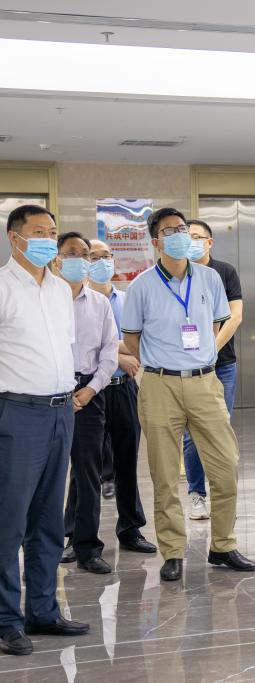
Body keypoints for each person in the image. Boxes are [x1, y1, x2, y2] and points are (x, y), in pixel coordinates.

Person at [121, 207, 255, 582]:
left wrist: (198, 357)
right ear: (156, 242)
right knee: (165, 475)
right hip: (159, 384)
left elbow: (215, 324)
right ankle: (173, 551)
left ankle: (223, 545)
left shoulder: (210, 278)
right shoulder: (141, 286)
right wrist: (162, 363)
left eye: (182, 228)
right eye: (170, 231)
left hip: (204, 382)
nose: (180, 235)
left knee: (225, 467)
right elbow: (131, 341)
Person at [0, 205, 89, 656]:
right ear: (14, 238)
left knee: (48, 519)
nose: (47, 240)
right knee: (8, 521)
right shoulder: (1, 286)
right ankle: (5, 620)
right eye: (38, 232)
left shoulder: (58, 289)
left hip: (61, 411)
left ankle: (43, 610)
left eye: (51, 232)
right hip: (17, 413)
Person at [54, 232, 119, 575]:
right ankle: (49, 544)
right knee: (46, 476)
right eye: (71, 253)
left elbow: (110, 352)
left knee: (88, 472)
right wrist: (64, 390)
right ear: (57, 260)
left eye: (84, 254)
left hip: (89, 393)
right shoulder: (46, 299)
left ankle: (87, 547)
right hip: (50, 392)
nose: (80, 259)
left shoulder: (100, 303)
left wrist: (91, 390)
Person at [86, 239, 155, 556]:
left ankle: (130, 529)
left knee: (127, 462)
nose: (103, 262)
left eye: (107, 256)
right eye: (95, 257)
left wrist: (115, 353)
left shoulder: (127, 301)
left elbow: (140, 342)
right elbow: (81, 346)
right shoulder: (79, 301)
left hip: (124, 388)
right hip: (91, 390)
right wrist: (119, 356)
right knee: (85, 466)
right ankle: (77, 535)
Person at [182, 219, 244, 521]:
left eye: (198, 237)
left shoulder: (224, 271)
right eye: (188, 236)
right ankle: (196, 493)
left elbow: (235, 315)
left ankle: (223, 496)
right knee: (192, 433)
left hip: (222, 366)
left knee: (220, 429)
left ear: (209, 242)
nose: (192, 241)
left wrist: (211, 350)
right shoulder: (178, 273)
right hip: (187, 368)